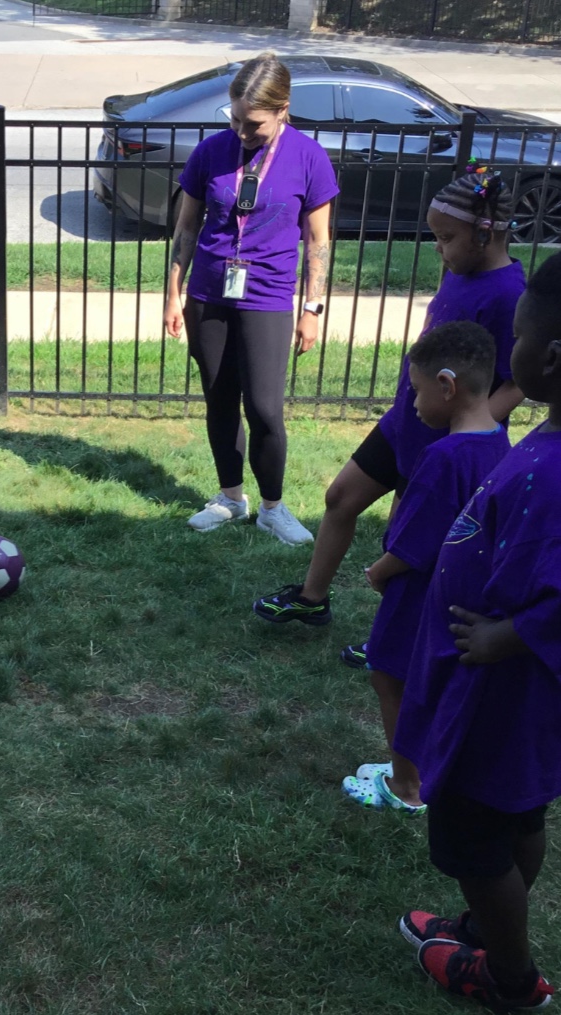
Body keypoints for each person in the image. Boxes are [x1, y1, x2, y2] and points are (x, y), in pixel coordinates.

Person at [391, 252, 561, 1013]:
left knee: (472, 837)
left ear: (549, 357)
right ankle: (495, 926)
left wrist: (515, 634)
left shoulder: (553, 473)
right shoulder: (540, 447)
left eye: (518, 333)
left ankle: (509, 978)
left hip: (500, 702)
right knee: (519, 814)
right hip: (502, 702)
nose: (510, 352)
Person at [252, 165, 526, 632]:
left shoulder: (509, 294)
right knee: (340, 498)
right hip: (406, 420)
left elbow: (516, 382)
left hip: (442, 440)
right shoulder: (459, 269)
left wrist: (464, 433)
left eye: (445, 238)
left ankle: (391, 638)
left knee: (405, 541)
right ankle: (312, 599)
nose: (438, 249)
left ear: (484, 234)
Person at [164, 51, 338, 546]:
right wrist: (173, 294)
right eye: (235, 118)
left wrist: (312, 308)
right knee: (219, 398)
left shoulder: (309, 158)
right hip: (208, 294)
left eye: (254, 123)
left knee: (264, 408)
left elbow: (318, 242)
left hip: (268, 296)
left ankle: (272, 508)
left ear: (283, 109)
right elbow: (185, 229)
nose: (242, 131)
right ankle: (230, 497)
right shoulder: (210, 153)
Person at [339, 322, 509, 815]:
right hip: (465, 590)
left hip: (418, 592)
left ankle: (406, 786)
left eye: (415, 391)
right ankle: (422, 770)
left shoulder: (442, 457)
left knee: (390, 677)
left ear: (447, 386)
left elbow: (417, 542)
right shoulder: (499, 444)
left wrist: (378, 571)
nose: (412, 404)